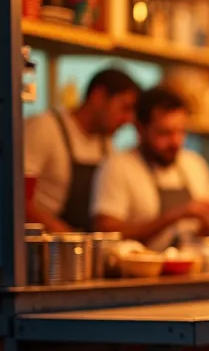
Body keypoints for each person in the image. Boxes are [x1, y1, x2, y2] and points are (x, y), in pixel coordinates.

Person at [91, 86, 209, 251]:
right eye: (164, 133)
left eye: (181, 131)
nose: (175, 142)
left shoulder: (194, 163)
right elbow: (105, 231)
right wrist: (175, 215)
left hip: (191, 270)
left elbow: (208, 230)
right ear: (140, 129)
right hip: (139, 274)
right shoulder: (117, 166)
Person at [23, 68, 140, 232]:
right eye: (124, 108)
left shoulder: (106, 144)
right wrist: (69, 238)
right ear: (98, 97)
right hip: (47, 246)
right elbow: (20, 200)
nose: (128, 119)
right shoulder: (46, 128)